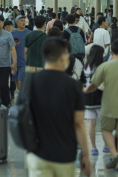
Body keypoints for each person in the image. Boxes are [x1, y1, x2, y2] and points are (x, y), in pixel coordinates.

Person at [26, 38, 91, 177]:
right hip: (64, 155)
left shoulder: (30, 82)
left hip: (37, 153)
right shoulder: (73, 86)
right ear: (63, 57)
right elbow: (79, 123)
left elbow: (22, 116)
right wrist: (86, 155)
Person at [84, 40, 118, 171]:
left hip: (109, 105)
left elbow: (94, 85)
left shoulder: (104, 67)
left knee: (106, 130)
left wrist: (85, 90)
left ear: (111, 52)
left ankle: (115, 154)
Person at [84, 45, 109, 155]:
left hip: (88, 96)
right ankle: (106, 145)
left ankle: (93, 147)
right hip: (100, 96)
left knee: (91, 124)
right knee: (104, 124)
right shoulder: (102, 66)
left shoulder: (86, 66)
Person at [11, 15, 31, 90]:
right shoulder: (12, 33)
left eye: (24, 21)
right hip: (14, 62)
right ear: (17, 22)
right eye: (21, 21)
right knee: (16, 82)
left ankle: (22, 98)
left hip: (24, 62)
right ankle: (21, 95)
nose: (23, 22)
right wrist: (13, 44)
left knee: (21, 80)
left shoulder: (29, 33)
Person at [3, 20, 16, 99]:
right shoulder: (2, 35)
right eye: (6, 27)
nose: (8, 28)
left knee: (13, 77)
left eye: (9, 26)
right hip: (4, 60)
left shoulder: (14, 34)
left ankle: (12, 92)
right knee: (4, 78)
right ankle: (7, 91)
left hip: (13, 60)